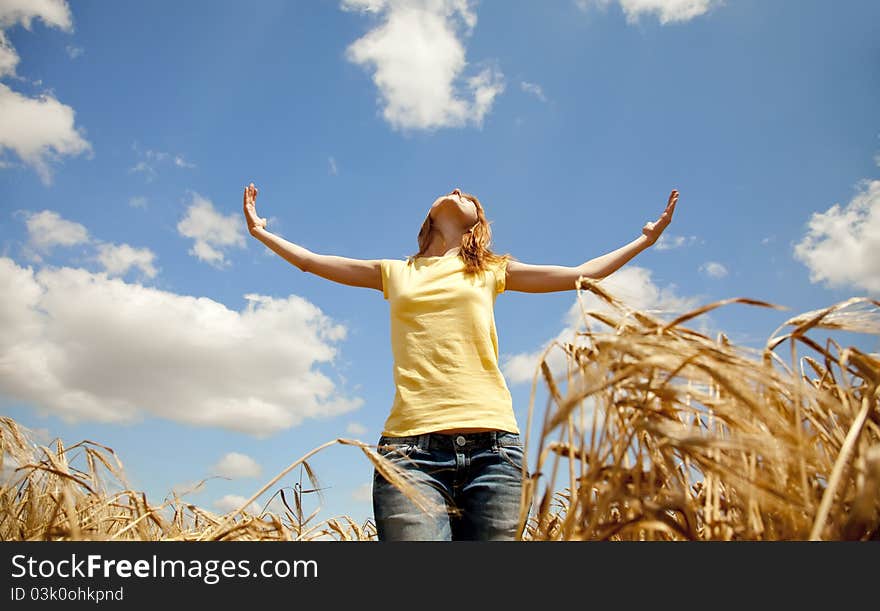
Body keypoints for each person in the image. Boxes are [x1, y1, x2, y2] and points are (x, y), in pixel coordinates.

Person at [242, 183, 678, 540]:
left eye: (469, 195)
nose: (457, 188)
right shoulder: (396, 272)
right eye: (450, 191)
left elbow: (583, 274)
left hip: (495, 450)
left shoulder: (490, 270)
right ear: (429, 217)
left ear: (477, 224)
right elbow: (311, 263)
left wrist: (644, 240)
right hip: (410, 452)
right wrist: (262, 232)